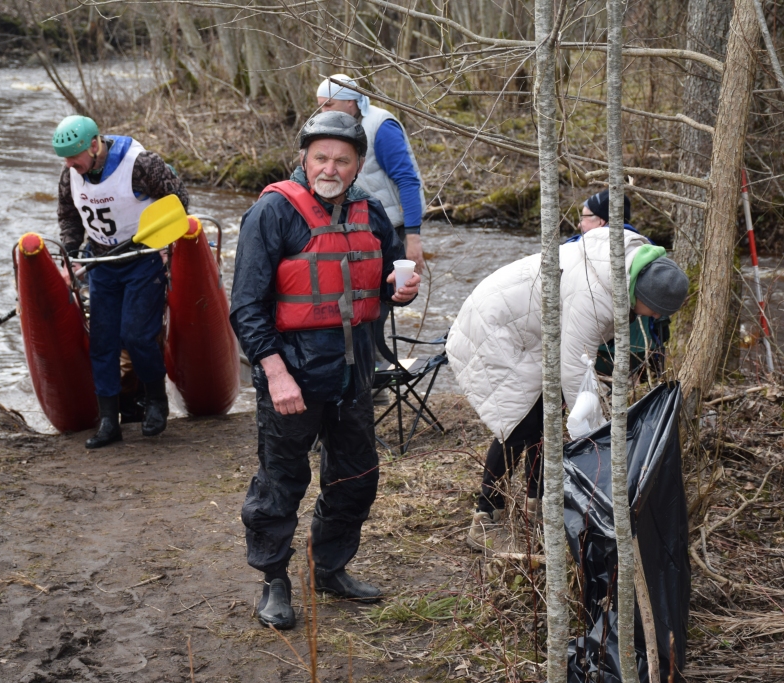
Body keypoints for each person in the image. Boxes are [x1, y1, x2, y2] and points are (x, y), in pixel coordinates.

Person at [231, 111, 421, 629]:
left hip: (354, 377)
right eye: (321, 157)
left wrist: (398, 290)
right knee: (280, 485)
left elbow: (381, 282)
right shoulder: (272, 213)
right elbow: (245, 308)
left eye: (342, 159)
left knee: (356, 478)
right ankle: (274, 580)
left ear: (358, 164)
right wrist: (276, 373)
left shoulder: (372, 212)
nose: (330, 168)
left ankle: (328, 567)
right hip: (291, 377)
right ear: (304, 159)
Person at [445, 218, 689, 551]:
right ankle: (485, 518)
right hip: (495, 327)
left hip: (533, 331)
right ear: (640, 293)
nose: (657, 318)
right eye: (656, 311)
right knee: (519, 424)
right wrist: (595, 438)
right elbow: (575, 368)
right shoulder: (597, 296)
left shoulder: (630, 263)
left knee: (546, 415)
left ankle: (538, 504)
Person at [53, 115, 189, 449]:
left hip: (142, 258)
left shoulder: (140, 164)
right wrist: (71, 251)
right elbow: (69, 215)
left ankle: (156, 402)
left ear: (94, 144)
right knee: (103, 341)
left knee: (137, 335)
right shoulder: (69, 173)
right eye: (66, 159)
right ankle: (107, 422)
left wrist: (159, 241)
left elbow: (179, 199)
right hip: (102, 262)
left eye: (74, 156)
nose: (70, 164)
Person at [316, 74, 427, 273]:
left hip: (390, 229)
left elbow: (408, 181)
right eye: (320, 106)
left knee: (385, 292)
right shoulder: (333, 127)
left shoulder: (381, 127)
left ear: (350, 102)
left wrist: (413, 237)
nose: (322, 112)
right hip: (355, 225)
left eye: (328, 105)